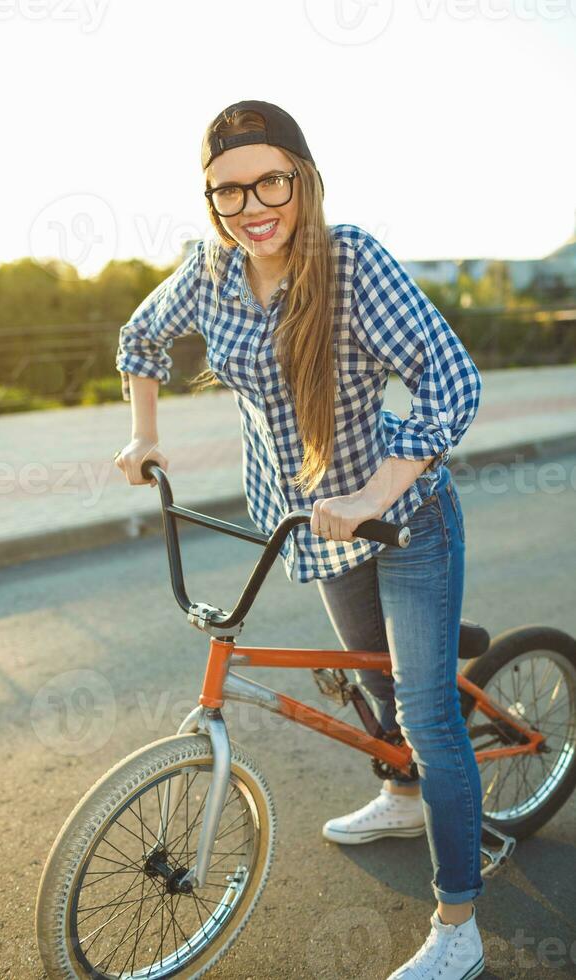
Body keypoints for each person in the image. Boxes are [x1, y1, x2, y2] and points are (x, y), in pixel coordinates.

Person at [114, 99, 485, 980]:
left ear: (303, 178)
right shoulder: (213, 269)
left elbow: (454, 381)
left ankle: (460, 925)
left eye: (268, 180)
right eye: (227, 192)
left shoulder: (349, 259)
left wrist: (374, 490)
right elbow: (141, 335)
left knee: (428, 719)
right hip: (309, 520)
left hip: (402, 517)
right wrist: (142, 433)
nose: (251, 206)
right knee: (373, 682)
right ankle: (399, 798)